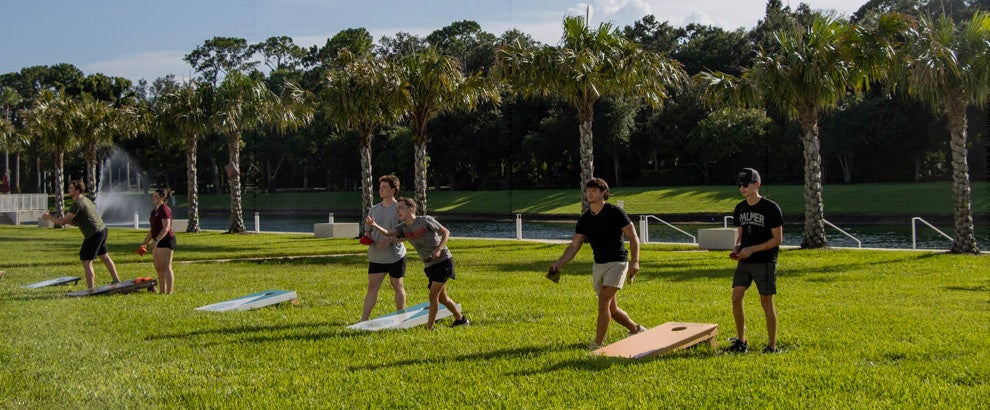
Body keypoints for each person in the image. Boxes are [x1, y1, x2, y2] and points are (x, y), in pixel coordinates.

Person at [550, 178, 647, 350]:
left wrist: (635, 261)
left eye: (594, 190)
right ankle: (636, 329)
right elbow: (574, 246)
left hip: (617, 262)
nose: (590, 193)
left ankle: (597, 345)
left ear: (604, 193)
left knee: (603, 299)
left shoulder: (616, 212)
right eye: (588, 190)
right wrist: (559, 263)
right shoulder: (585, 220)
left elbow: (633, 236)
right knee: (612, 308)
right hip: (599, 265)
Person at [365, 197, 468, 330]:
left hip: (444, 261)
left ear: (411, 209)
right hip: (430, 265)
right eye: (397, 209)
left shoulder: (425, 220)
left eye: (401, 207)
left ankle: (429, 328)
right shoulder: (402, 228)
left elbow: (446, 232)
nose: (397, 211)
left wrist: (439, 249)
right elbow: (388, 232)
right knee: (442, 298)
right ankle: (461, 320)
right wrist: (374, 225)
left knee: (433, 296)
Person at [728, 168, 784, 354]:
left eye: (746, 184)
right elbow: (741, 236)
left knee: (766, 302)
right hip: (744, 261)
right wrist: (737, 248)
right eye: (740, 185)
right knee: (736, 298)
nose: (742, 188)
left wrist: (752, 249)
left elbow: (777, 240)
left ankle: (771, 346)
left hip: (765, 261)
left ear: (757, 184)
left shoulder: (771, 208)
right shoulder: (740, 208)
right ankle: (741, 341)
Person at [42, 180, 121, 289]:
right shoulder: (85, 200)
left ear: (78, 190)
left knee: (86, 261)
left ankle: (91, 289)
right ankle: (116, 280)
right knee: (104, 256)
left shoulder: (77, 204)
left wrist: (48, 217)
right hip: (102, 230)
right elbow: (75, 221)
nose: (68, 190)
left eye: (70, 188)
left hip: (93, 234)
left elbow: (62, 222)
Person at [360, 175, 408, 321]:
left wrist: (390, 240)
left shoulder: (400, 209)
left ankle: (401, 319)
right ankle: (363, 320)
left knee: (397, 286)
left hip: (395, 256)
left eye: (384, 187)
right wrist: (367, 236)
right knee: (372, 288)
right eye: (380, 187)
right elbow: (368, 230)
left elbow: (408, 234)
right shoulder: (374, 209)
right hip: (377, 257)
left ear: (393, 190)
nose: (380, 190)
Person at [141, 188, 176, 294]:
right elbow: (153, 230)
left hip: (166, 240)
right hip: (156, 241)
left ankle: (169, 292)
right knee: (158, 267)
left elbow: (166, 227)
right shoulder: (154, 211)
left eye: (156, 196)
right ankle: (162, 291)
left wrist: (156, 240)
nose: (153, 198)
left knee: (166, 267)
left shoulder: (164, 209)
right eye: (153, 196)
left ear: (163, 198)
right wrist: (144, 242)